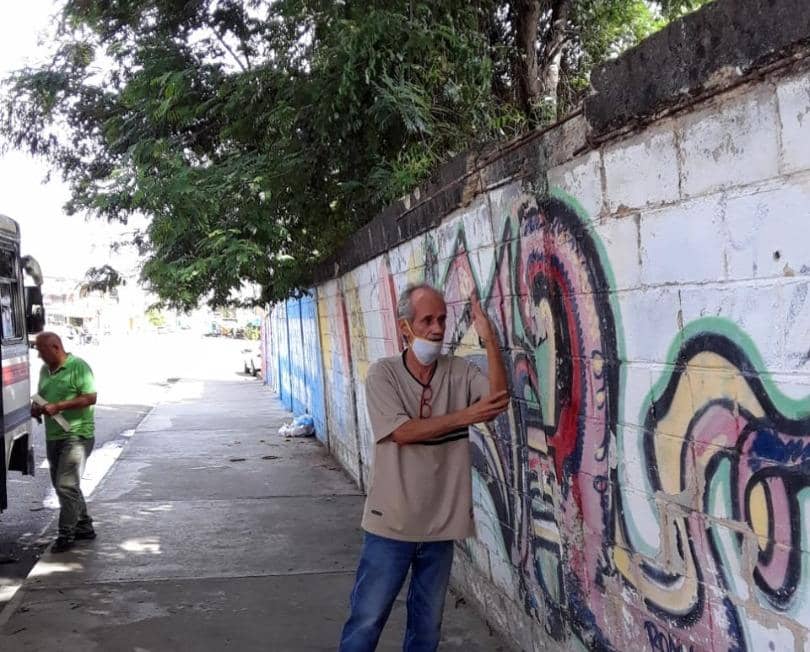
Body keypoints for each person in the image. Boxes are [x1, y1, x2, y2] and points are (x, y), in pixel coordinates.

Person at [339, 283, 509, 652]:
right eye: (427, 320)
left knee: (427, 629)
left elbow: (496, 399)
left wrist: (489, 339)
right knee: (366, 621)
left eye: (442, 320)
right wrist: (466, 415)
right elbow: (402, 432)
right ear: (405, 328)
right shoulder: (383, 375)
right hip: (391, 526)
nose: (436, 328)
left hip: (439, 529)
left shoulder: (458, 371)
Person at [30, 332, 98, 553]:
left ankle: (66, 535)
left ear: (56, 347)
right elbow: (43, 396)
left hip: (77, 434)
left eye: (42, 350)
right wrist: (38, 409)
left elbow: (90, 397)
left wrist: (59, 406)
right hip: (54, 435)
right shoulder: (44, 371)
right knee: (66, 487)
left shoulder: (79, 366)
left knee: (65, 485)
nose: (39, 355)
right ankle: (84, 525)